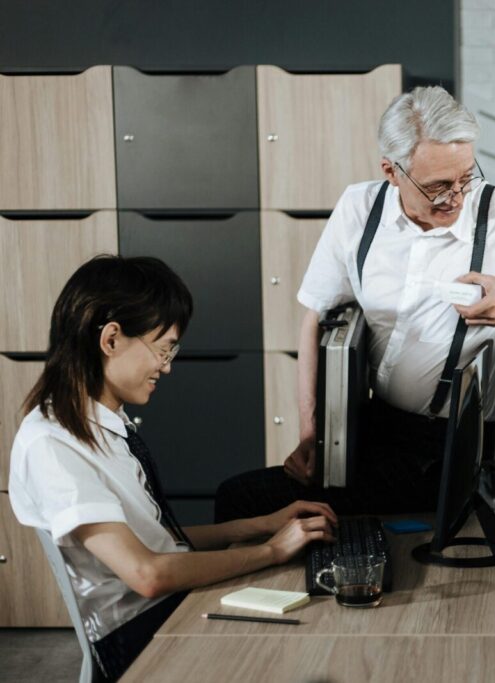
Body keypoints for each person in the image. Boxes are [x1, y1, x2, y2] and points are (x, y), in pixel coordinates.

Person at [214, 85, 495, 521]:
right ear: (392, 170)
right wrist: (311, 435)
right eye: (439, 186)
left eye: (465, 177)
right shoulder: (358, 210)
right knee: (250, 502)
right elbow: (316, 316)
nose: (456, 197)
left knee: (243, 500)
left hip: (448, 451)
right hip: (371, 425)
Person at [8, 255, 337, 681]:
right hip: (136, 637)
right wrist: (272, 550)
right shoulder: (52, 444)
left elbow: (158, 540)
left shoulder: (99, 422)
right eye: (163, 348)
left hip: (163, 610)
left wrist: (261, 525)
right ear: (111, 339)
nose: (167, 366)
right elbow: (146, 573)